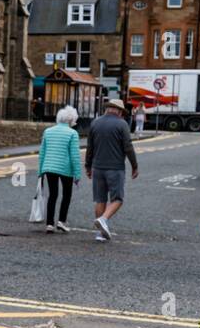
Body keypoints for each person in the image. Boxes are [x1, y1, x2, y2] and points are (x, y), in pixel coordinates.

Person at [84, 98, 139, 242]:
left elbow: (90, 147)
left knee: (100, 200)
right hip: (115, 168)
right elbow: (128, 146)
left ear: (107, 109)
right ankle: (103, 219)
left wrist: (88, 166)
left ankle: (100, 234)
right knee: (117, 199)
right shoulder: (122, 124)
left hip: (97, 167)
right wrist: (134, 166)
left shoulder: (95, 123)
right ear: (119, 111)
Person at [36, 105, 83, 234]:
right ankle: (61, 221)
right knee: (66, 195)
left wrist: (40, 171)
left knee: (53, 195)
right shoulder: (73, 133)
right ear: (71, 119)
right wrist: (77, 174)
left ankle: (49, 224)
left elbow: (42, 152)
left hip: (49, 167)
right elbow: (74, 155)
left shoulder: (48, 131)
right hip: (65, 168)